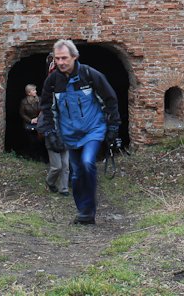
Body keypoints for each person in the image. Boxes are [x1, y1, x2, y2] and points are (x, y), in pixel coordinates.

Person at [38, 39, 120, 225]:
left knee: (87, 162)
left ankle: (89, 210)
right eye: (57, 58)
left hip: (93, 129)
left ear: (74, 57)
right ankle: (83, 211)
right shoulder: (52, 81)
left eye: (64, 58)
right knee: (75, 174)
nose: (61, 62)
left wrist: (113, 126)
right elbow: (46, 108)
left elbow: (110, 99)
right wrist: (50, 133)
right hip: (69, 133)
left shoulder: (89, 75)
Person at [18, 83, 43, 160]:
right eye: (33, 90)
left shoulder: (40, 99)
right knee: (31, 141)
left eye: (35, 90)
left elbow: (43, 110)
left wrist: (38, 118)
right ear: (29, 93)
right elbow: (22, 113)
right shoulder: (24, 102)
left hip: (39, 122)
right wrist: (30, 120)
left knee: (40, 141)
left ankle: (40, 156)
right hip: (29, 123)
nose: (35, 91)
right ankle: (32, 156)